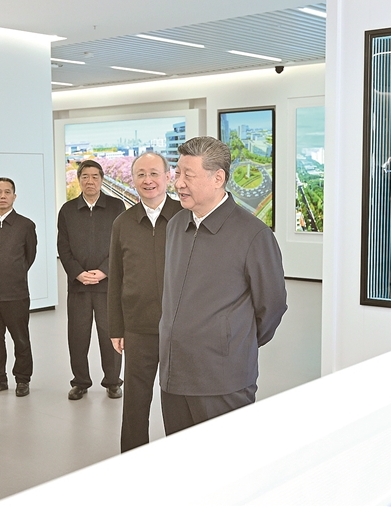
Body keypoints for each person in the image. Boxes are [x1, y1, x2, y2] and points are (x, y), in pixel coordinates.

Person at [159, 136, 288, 435]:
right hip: (174, 375)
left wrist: (233, 342)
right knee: (178, 458)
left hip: (223, 381)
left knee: (224, 460)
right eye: (177, 174)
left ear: (218, 178)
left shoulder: (254, 235)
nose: (178, 183)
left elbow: (271, 307)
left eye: (188, 175)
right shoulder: (176, 226)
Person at [108, 153, 182, 451]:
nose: (147, 180)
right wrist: (117, 328)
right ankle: (132, 459)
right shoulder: (122, 223)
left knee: (179, 400)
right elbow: (116, 277)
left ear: (168, 176)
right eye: (140, 174)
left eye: (154, 173)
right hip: (138, 328)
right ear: (133, 179)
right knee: (135, 402)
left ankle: (182, 456)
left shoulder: (185, 216)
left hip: (180, 328)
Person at [57, 159, 125, 400]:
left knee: (111, 335)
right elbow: (63, 247)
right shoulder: (67, 210)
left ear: (102, 179)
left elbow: (122, 244)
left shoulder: (116, 207)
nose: (90, 181)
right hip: (79, 287)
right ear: (79, 180)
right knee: (78, 336)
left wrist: (105, 270)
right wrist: (78, 273)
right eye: (85, 176)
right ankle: (80, 382)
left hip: (108, 286)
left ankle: (113, 381)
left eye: (95, 176)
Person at [0, 178, 37, 397]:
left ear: (14, 196)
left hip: (16, 294)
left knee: (21, 340)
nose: (3, 196)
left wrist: (15, 273)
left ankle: (22, 379)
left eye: (7, 192)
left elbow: (29, 257)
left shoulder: (26, 225)